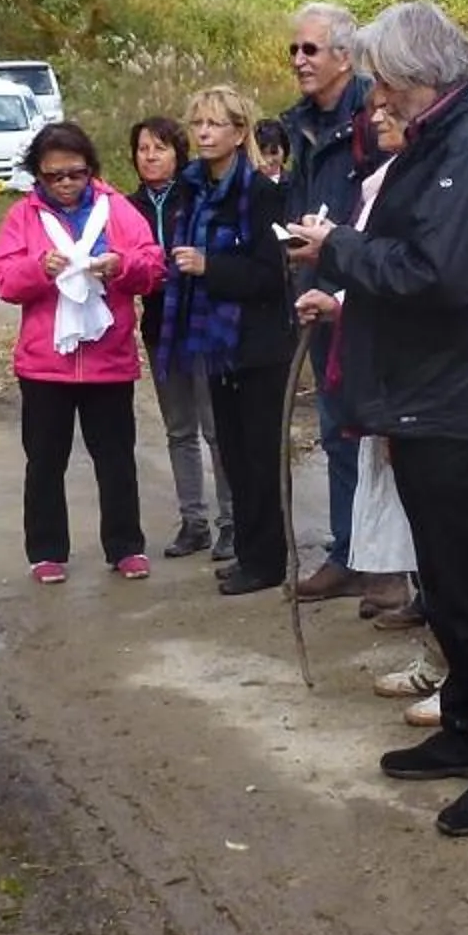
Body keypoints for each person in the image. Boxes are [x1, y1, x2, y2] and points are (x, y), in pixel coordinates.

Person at [285, 3, 468, 836]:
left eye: (385, 77)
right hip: (431, 393)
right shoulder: (446, 135)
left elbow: (442, 273)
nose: (379, 93)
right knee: (447, 578)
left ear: (421, 71)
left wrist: (337, 251)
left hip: (463, 399)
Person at [0, 121, 163, 582]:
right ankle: (46, 550)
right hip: (46, 364)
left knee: (117, 459)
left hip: (109, 358)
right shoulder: (23, 217)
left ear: (91, 171)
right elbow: (1, 278)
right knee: (45, 461)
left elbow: (152, 266)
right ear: (37, 177)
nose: (65, 184)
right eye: (54, 176)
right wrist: (37, 268)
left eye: (75, 174)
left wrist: (120, 267)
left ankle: (125, 545)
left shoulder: (117, 209)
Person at [164, 86, 293, 598]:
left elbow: (268, 274)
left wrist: (208, 266)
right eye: (197, 124)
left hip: (257, 342)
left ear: (241, 133)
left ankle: (267, 561)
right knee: (233, 454)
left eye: (215, 124)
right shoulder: (193, 187)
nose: (203, 133)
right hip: (215, 343)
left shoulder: (258, 192)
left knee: (259, 455)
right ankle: (249, 551)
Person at [281, 2, 375, 599]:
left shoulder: (375, 118)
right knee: (338, 429)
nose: (298, 61)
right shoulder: (296, 125)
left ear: (344, 55)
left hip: (366, 293)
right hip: (314, 289)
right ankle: (349, 552)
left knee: (378, 434)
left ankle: (389, 564)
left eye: (310, 50)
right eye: (293, 50)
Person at [128, 116, 229, 559]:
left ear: (178, 153)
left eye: (160, 148)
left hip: (204, 323)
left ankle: (231, 520)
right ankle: (194, 521)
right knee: (178, 428)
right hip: (159, 326)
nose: (150, 156)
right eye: (143, 149)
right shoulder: (125, 207)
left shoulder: (197, 195)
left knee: (216, 427)